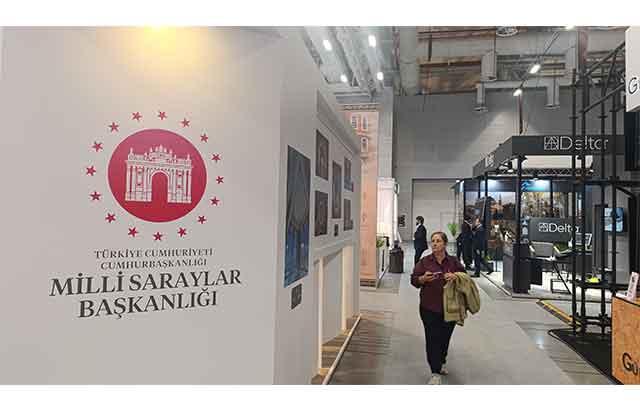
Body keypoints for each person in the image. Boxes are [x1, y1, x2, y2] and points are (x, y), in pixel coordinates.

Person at [411, 231, 465, 385]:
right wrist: (423, 279)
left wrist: (455, 276)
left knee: (445, 338)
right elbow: (414, 280)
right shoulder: (425, 262)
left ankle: (441, 361)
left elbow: (465, 276)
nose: (434, 244)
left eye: (438, 241)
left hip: (450, 308)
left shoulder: (453, 262)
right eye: (433, 241)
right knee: (432, 338)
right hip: (429, 307)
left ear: (445, 244)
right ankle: (434, 372)